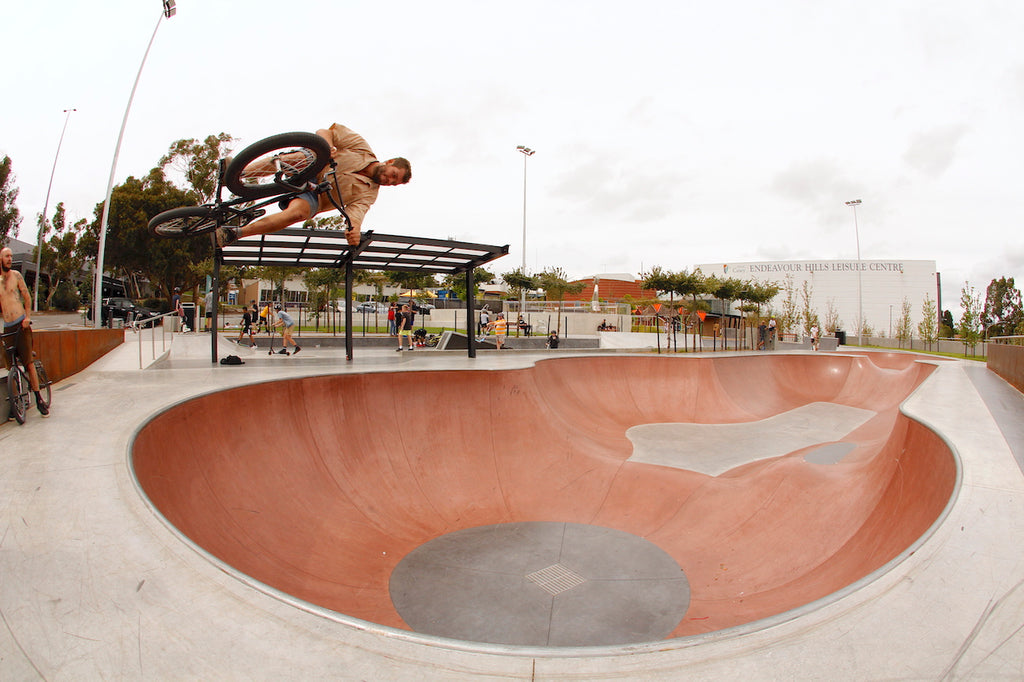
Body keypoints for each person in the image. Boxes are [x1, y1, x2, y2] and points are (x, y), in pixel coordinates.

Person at [216, 123, 411, 248]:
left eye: (394, 183)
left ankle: (234, 233)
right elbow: (325, 132)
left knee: (298, 214)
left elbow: (356, 214)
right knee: (306, 157)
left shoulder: (369, 194)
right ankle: (236, 173)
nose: (389, 181)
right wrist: (328, 147)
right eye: (393, 175)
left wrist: (354, 230)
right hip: (312, 164)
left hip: (314, 194)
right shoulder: (361, 148)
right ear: (390, 162)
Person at [0, 247, 48, 417]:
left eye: (11, 256)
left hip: (22, 324)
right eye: (6, 256)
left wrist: (27, 317)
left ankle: (39, 398)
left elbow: (27, 298)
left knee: (28, 362)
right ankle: (16, 402)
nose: (9, 259)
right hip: (8, 327)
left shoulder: (16, 276)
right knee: (10, 366)